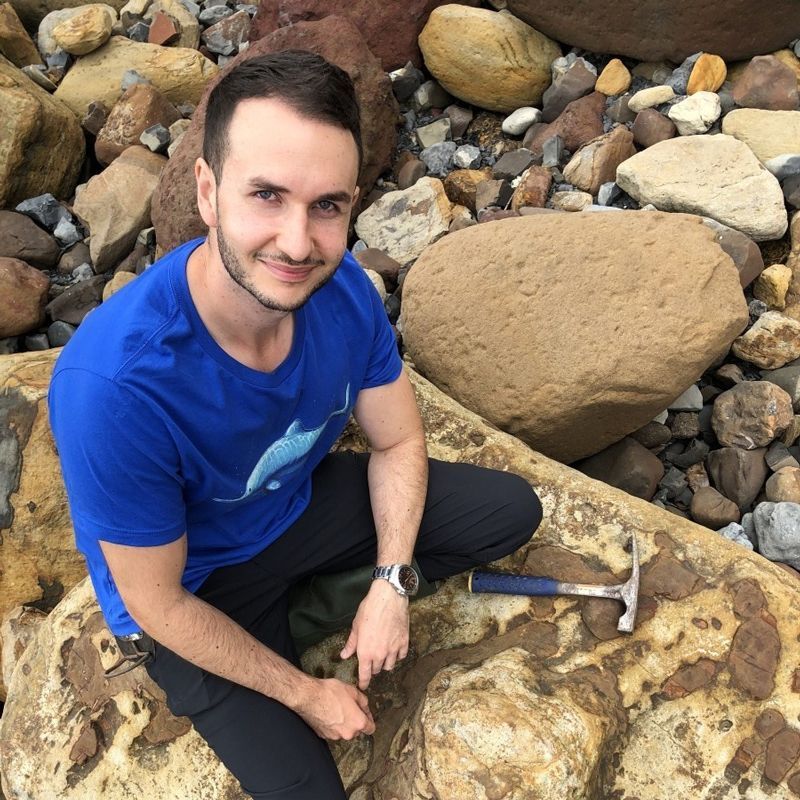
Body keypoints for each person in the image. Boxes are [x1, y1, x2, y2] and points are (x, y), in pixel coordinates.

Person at [48, 50, 543, 799]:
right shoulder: (116, 386)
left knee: (510, 513)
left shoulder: (341, 289)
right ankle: (290, 627)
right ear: (208, 192)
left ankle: (317, 601)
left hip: (294, 508)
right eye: (268, 196)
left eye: (326, 206)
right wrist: (306, 694)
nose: (298, 242)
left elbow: (399, 440)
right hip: (197, 588)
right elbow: (159, 603)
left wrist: (391, 582)